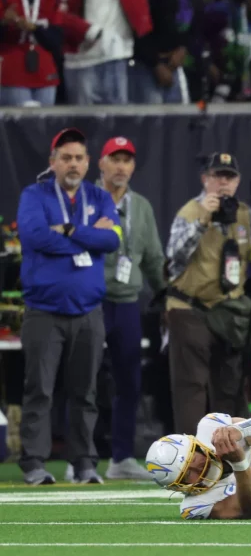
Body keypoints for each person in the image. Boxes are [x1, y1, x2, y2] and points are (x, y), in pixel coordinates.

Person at [16, 128, 122, 485]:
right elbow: (32, 235)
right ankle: (33, 462)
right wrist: (87, 238)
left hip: (88, 311)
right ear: (53, 163)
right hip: (44, 310)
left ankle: (84, 463)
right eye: (66, 157)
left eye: (78, 157)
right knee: (39, 390)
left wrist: (68, 231)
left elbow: (112, 240)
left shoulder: (99, 196)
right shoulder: (35, 194)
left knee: (85, 393)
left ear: (89, 163)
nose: (72, 163)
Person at [165, 152, 251, 434]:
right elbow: (174, 257)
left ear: (237, 181)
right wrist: (203, 220)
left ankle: (232, 458)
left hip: (229, 311)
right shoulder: (190, 211)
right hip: (189, 308)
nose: (223, 183)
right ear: (205, 179)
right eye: (217, 176)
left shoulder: (246, 215)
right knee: (191, 386)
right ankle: (192, 456)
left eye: (229, 177)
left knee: (231, 386)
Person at [97, 137, 166, 479]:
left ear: (134, 166)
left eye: (127, 160)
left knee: (129, 381)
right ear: (102, 164)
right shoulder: (86, 200)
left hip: (126, 303)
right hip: (89, 300)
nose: (121, 166)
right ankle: (77, 457)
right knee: (81, 381)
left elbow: (153, 258)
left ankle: (120, 458)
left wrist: (166, 295)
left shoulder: (141, 206)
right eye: (115, 159)